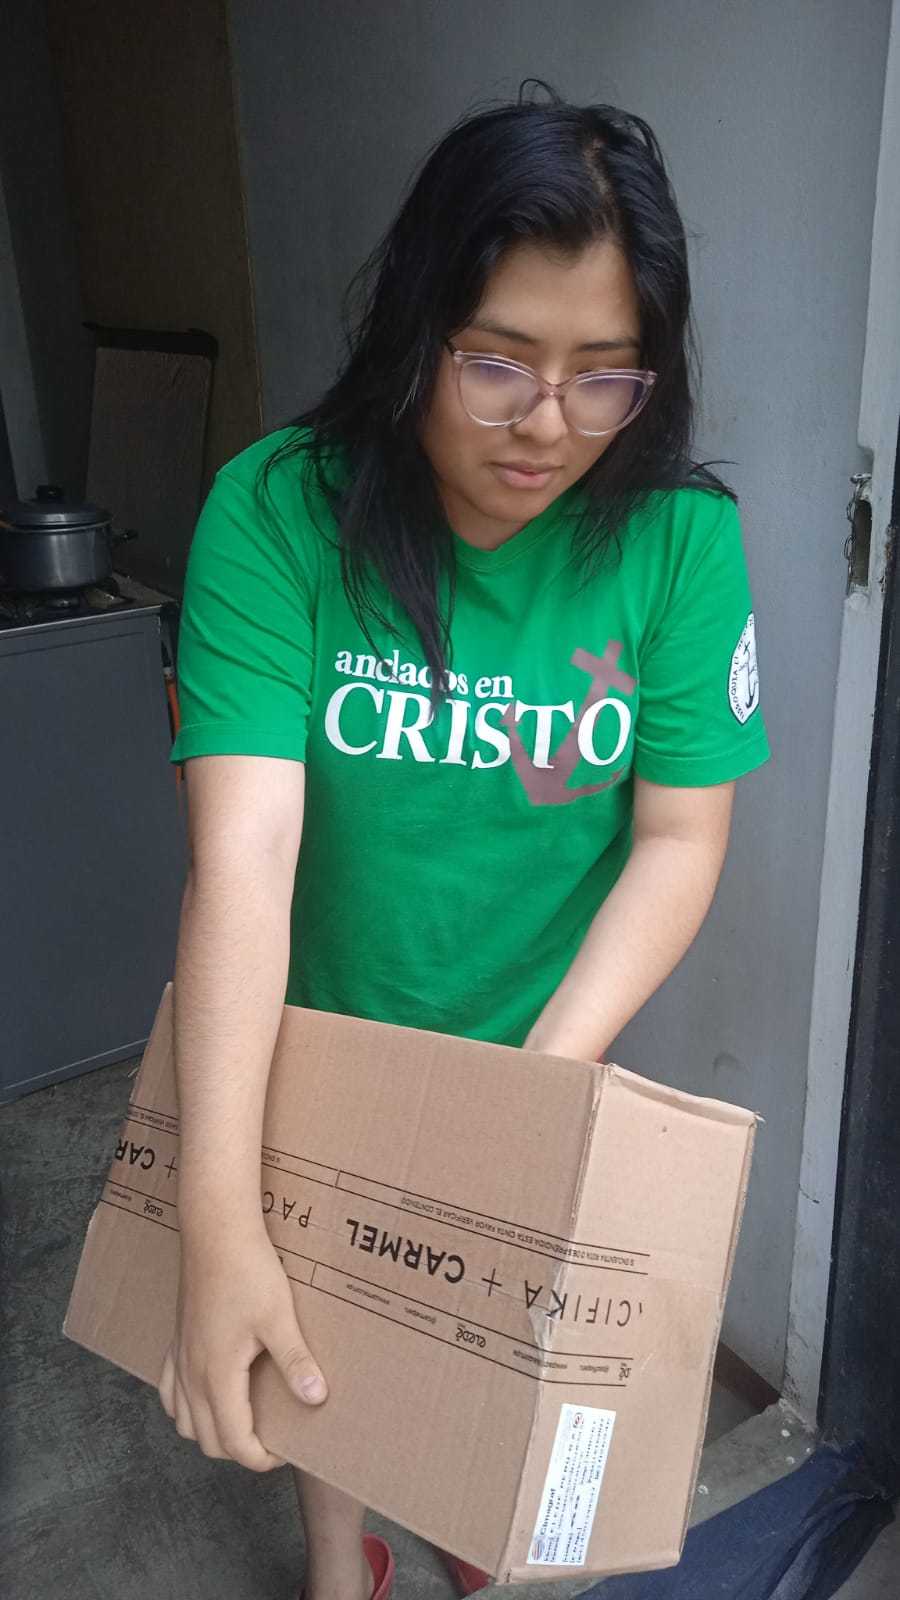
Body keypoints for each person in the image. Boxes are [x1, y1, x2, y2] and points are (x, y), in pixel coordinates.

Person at [157, 88, 769, 1600]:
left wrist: (535, 1088)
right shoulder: (279, 513)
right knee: (314, 1347)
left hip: (544, 1040)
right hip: (323, 1040)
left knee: (493, 1369)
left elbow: (680, 835)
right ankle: (341, 1561)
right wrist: (216, 1218)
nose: (547, 425)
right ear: (416, 326)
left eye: (604, 375)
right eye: (497, 362)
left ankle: (473, 1530)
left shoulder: (678, 541)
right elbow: (244, 858)